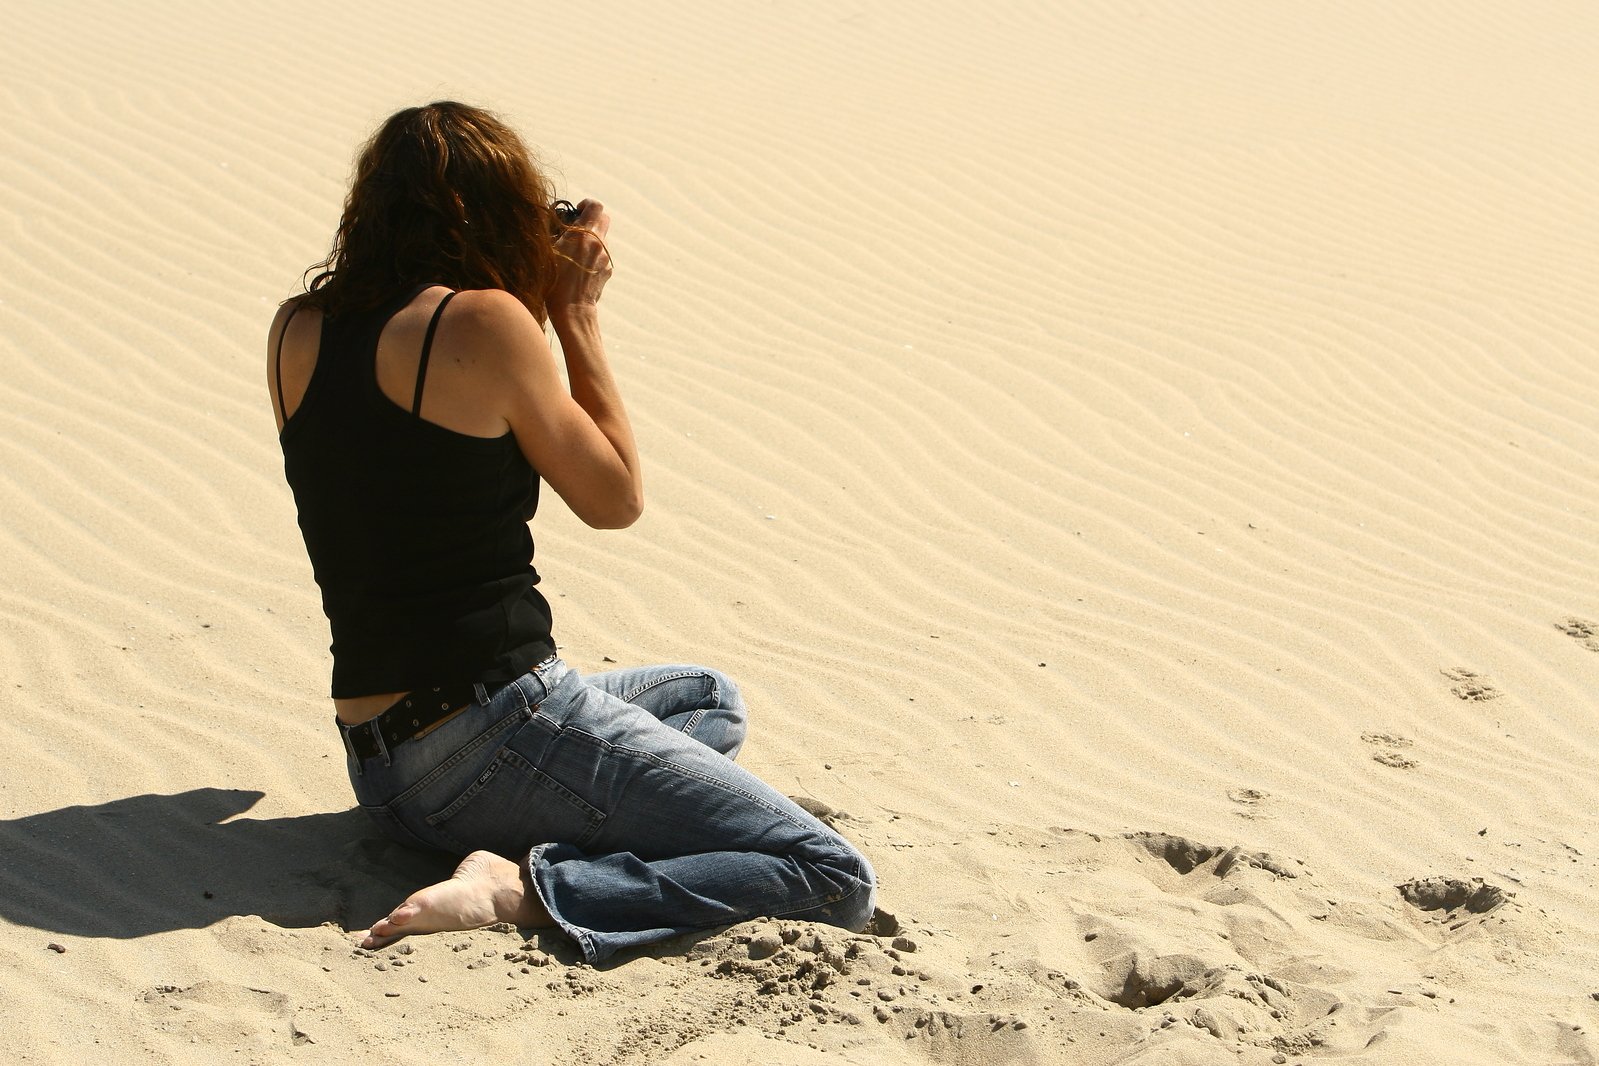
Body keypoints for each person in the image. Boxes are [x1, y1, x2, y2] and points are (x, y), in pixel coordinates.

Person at [266, 101, 875, 963]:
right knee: (826, 870)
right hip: (493, 729)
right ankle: (525, 887)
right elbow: (614, 498)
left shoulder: (297, 327)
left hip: (383, 768)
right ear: (494, 212)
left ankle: (512, 840)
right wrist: (576, 312)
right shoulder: (483, 322)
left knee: (707, 697)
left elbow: (408, 460)